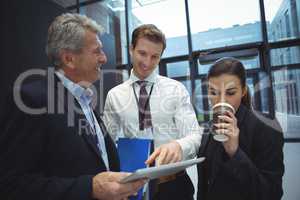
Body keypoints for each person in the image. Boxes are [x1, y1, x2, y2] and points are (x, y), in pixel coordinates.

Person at [0, 13, 146, 200]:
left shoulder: (85, 100)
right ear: (69, 59)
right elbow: (11, 184)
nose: (104, 58)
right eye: (96, 51)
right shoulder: (31, 99)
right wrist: (90, 188)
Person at [103, 24, 202, 200]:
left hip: (173, 186)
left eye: (155, 56)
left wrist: (179, 145)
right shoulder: (114, 95)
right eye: (142, 53)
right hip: (133, 186)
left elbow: (195, 136)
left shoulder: (176, 90)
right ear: (131, 49)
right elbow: (107, 145)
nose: (147, 62)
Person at [197, 57, 284, 200]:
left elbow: (271, 194)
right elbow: (205, 184)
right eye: (213, 92)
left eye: (230, 93)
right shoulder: (209, 127)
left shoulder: (267, 126)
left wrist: (235, 152)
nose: (221, 101)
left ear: (243, 91)